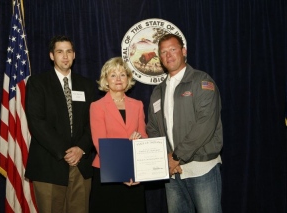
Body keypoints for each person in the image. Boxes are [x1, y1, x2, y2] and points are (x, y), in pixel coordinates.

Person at [146, 33, 223, 213]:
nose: (169, 55)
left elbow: (205, 125)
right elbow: (153, 127)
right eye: (163, 52)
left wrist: (175, 157)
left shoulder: (202, 82)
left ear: (184, 51)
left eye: (173, 49)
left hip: (201, 168)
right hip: (173, 173)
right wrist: (165, 158)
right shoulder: (158, 91)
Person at [25, 35, 95, 213]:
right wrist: (65, 151)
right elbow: (37, 122)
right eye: (60, 52)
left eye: (69, 51)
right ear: (51, 55)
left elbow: (93, 122)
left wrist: (81, 148)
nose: (65, 56)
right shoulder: (37, 83)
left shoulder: (87, 85)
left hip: (81, 165)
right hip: (49, 165)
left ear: (74, 55)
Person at [89, 57, 148, 213]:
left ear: (128, 79)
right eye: (113, 75)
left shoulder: (138, 105)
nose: (118, 79)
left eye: (122, 74)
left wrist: (139, 139)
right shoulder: (97, 106)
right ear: (106, 80)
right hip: (107, 172)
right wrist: (121, 172)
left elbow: (144, 136)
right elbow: (99, 143)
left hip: (135, 172)